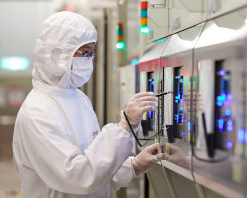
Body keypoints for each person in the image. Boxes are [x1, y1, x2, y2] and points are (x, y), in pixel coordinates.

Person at [12, 11, 166, 198]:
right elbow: (80, 177)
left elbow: (96, 163)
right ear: (57, 55)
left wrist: (133, 165)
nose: (89, 60)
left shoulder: (79, 99)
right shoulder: (37, 112)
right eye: (84, 53)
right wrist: (124, 127)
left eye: (92, 54)